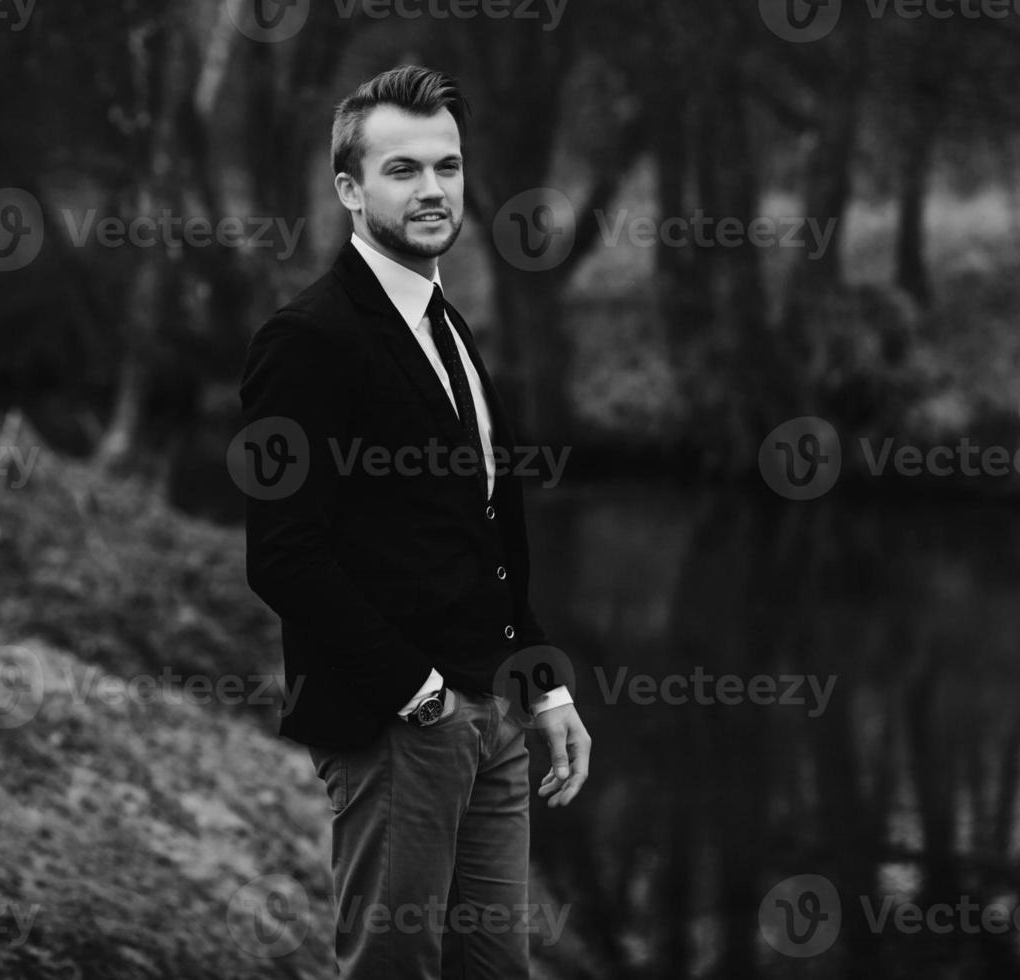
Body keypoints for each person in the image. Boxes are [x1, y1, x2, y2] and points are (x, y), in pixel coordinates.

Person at [239, 65, 591, 978]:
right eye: (402, 170)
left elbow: (483, 534)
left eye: (448, 166)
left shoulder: (446, 322)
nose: (432, 190)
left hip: (497, 713)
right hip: (400, 726)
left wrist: (542, 683)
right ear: (350, 190)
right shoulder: (307, 341)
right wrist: (420, 695)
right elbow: (283, 555)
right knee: (392, 969)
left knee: (495, 971)